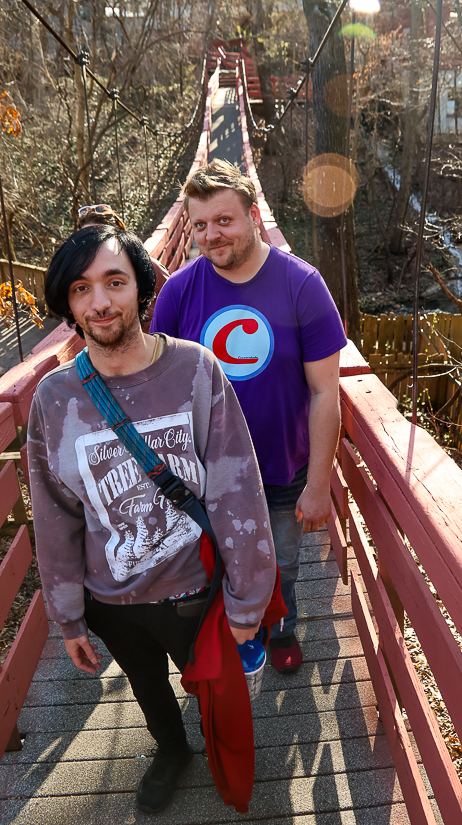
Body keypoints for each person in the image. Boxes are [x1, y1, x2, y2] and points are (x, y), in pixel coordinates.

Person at [27, 225, 277, 815]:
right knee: (145, 685)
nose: (101, 301)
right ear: (68, 302)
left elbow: (237, 489)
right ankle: (171, 751)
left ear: (141, 287)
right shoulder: (55, 398)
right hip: (109, 600)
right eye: (82, 288)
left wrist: (248, 603)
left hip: (192, 588)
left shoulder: (195, 369)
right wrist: (66, 617)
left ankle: (219, 751)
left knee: (214, 685)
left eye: (115, 281)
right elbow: (53, 513)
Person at [150, 158, 347, 673]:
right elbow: (155, 382)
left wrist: (321, 482)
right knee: (218, 561)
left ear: (254, 216)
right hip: (206, 470)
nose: (211, 235)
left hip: (283, 468)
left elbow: (327, 391)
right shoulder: (178, 292)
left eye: (224, 220)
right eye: (199, 225)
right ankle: (235, 630)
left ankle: (280, 622)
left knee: (282, 559)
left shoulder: (302, 285)